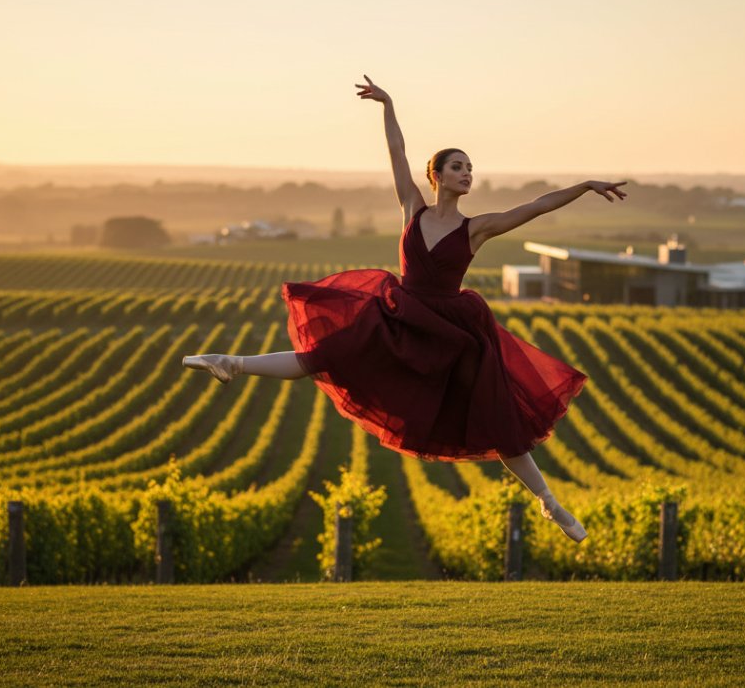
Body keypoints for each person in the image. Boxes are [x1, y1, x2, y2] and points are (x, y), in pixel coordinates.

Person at [183, 74, 628, 543]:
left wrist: (584, 185)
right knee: (324, 357)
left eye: (471, 168)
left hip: (455, 332)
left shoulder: (477, 228)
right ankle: (228, 362)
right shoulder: (412, 208)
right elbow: (396, 153)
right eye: (458, 166)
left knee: (498, 421)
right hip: (400, 316)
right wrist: (388, 105)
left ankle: (549, 503)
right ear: (436, 175)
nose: (467, 173)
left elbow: (537, 206)